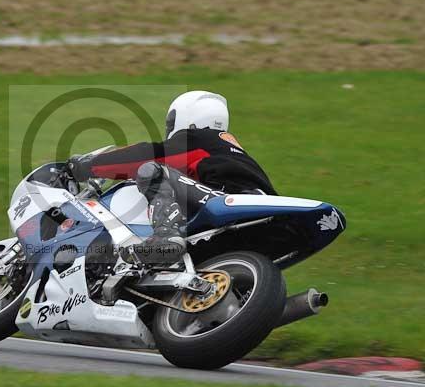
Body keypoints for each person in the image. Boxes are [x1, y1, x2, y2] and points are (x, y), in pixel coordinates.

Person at [68, 90, 277, 266]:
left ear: (188, 118)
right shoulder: (231, 151)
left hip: (227, 199)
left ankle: (165, 235)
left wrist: (87, 166)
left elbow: (147, 154)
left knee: (152, 170)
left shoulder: (198, 138)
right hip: (266, 218)